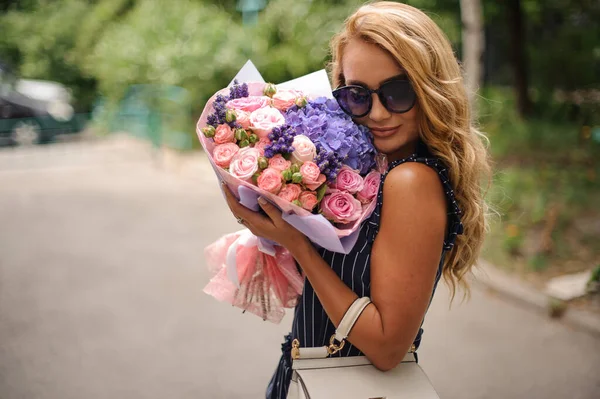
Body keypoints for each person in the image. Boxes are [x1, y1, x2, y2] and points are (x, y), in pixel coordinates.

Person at [221, 2, 491, 398]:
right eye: (357, 95)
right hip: (307, 377)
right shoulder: (377, 170)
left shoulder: (411, 180)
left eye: (398, 92)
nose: (378, 113)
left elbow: (386, 347)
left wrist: (298, 243)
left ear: (431, 89)